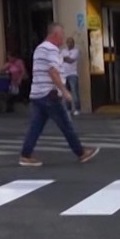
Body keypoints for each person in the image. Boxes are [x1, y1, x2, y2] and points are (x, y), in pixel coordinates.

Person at [19, 23, 100, 167]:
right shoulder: (51, 50)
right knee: (66, 124)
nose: (63, 39)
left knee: (35, 127)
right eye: (61, 36)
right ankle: (81, 152)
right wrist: (64, 90)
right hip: (50, 94)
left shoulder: (39, 49)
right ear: (54, 35)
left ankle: (26, 155)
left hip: (38, 94)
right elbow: (53, 71)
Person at [60, 37, 81, 116]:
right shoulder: (63, 51)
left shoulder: (76, 51)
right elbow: (59, 59)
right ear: (66, 43)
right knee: (66, 93)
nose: (70, 44)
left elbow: (71, 60)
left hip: (73, 74)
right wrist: (65, 58)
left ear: (73, 43)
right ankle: (68, 109)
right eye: (68, 42)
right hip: (64, 74)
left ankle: (77, 109)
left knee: (74, 92)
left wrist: (64, 58)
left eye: (71, 42)